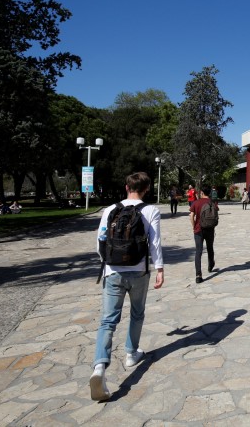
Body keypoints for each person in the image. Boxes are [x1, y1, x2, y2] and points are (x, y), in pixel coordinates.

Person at [90, 172, 164, 402]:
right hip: (139, 271)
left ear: (126, 187)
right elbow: (155, 242)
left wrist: (108, 262)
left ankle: (99, 368)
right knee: (137, 313)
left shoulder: (110, 210)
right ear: (146, 189)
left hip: (113, 272)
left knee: (107, 320)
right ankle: (131, 353)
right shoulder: (150, 210)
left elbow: (100, 240)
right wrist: (160, 269)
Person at [190, 184, 218, 284]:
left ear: (201, 192)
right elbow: (215, 215)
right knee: (210, 248)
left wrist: (194, 226)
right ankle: (210, 265)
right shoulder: (212, 203)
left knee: (198, 251)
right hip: (210, 229)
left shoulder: (196, 203)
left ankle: (198, 275)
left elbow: (191, 216)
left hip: (198, 230)